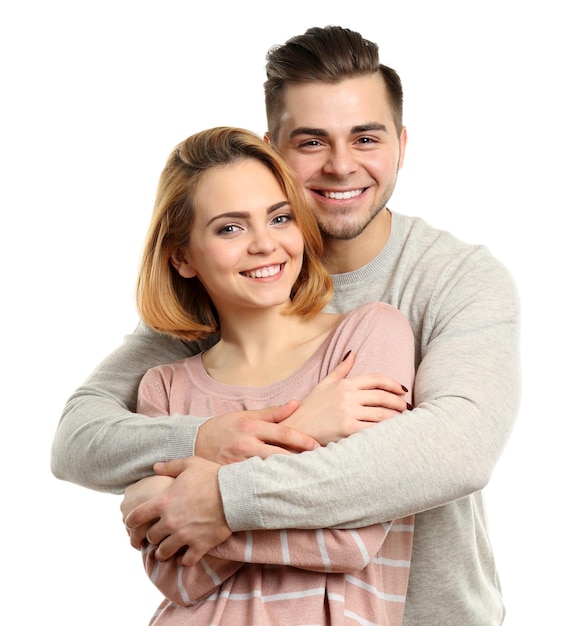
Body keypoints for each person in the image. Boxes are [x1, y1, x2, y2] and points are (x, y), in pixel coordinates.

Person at [52, 25, 521, 625]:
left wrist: (219, 497)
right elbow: (78, 438)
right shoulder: (221, 296)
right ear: (274, 147)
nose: (341, 165)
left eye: (366, 137)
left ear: (401, 144)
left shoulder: (453, 279)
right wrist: (204, 440)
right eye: (311, 142)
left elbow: (454, 448)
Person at [126, 125, 415, 624]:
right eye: (230, 228)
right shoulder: (165, 387)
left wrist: (206, 501)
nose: (265, 244)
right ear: (182, 256)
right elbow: (179, 577)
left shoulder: (369, 336)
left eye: (280, 218)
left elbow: (350, 539)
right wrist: (301, 430)